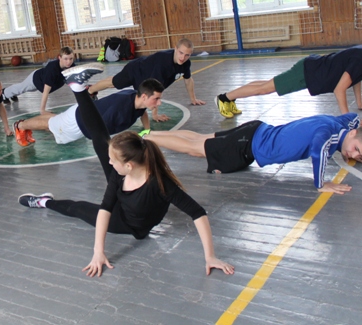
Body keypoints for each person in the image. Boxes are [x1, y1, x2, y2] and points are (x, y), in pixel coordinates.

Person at [18, 63, 234, 277]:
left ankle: (77, 89)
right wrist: (98, 252)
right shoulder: (119, 175)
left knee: (78, 206)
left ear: (129, 165)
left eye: (114, 161)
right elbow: (105, 208)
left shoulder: (160, 183)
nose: (109, 163)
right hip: (122, 211)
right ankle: (77, 88)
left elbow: (198, 213)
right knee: (99, 145)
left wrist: (210, 256)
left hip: (128, 224)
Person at [145, 113, 362, 194]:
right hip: (248, 145)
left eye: (358, 154)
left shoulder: (340, 125)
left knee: (200, 139)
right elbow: (318, 152)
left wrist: (356, 141)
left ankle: (148, 133)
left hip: (255, 130)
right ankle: (145, 139)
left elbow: (352, 117)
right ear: (353, 134)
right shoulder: (328, 135)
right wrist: (320, 184)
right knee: (195, 149)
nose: (352, 154)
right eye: (355, 148)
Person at [215, 40, 362, 118]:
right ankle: (224, 98)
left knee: (266, 85)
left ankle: (229, 98)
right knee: (265, 88)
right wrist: (346, 118)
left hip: (312, 68)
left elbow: (357, 77)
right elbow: (340, 89)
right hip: (308, 73)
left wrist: (360, 103)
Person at [13, 78, 164, 147]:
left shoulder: (135, 98)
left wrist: (147, 130)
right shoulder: (120, 111)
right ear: (144, 96)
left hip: (82, 113)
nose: (159, 103)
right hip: (78, 123)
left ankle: (24, 126)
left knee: (55, 122)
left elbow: (142, 112)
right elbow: (99, 134)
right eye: (156, 99)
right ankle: (20, 126)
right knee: (50, 124)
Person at [87, 38, 204, 121]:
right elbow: (154, 89)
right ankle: (89, 90)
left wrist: (193, 99)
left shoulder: (185, 64)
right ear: (175, 49)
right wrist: (155, 115)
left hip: (146, 76)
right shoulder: (163, 63)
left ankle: (91, 89)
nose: (183, 57)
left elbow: (188, 80)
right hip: (136, 70)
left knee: (114, 82)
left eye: (187, 55)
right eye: (181, 53)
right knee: (113, 83)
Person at [1, 47, 75, 114]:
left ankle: (12, 94)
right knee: (21, 88)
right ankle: (4, 93)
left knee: (22, 89)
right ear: (60, 58)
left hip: (42, 82)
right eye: (65, 59)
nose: (68, 62)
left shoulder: (72, 67)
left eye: (71, 59)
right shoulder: (52, 69)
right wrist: (42, 110)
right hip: (35, 80)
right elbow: (46, 91)